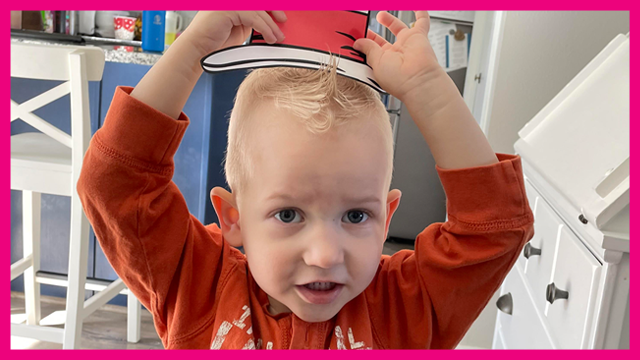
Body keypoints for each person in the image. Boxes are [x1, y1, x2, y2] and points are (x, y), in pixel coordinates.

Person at [78, 11, 534, 349]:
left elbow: (494, 228)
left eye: (357, 215)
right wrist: (193, 49)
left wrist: (429, 92)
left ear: (387, 213)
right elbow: (114, 181)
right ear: (233, 218)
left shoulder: (406, 307)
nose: (324, 255)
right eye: (289, 214)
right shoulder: (196, 283)